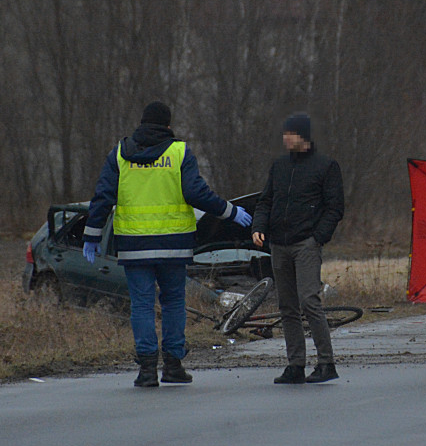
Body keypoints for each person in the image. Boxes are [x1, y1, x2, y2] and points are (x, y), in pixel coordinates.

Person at [83, 101, 252, 388]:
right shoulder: (179, 152)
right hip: (174, 244)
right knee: (173, 303)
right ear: (168, 125)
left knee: (142, 306)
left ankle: (147, 370)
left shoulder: (120, 154)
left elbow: (103, 196)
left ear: (141, 123)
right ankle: (173, 366)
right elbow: (196, 192)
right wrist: (229, 211)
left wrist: (91, 235)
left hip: (134, 245)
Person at [252, 113, 345, 384]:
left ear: (302, 136)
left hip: (306, 244)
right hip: (278, 244)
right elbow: (265, 200)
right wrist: (258, 225)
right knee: (287, 307)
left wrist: (318, 237)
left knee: (309, 301)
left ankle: (326, 363)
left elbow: (335, 207)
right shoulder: (279, 166)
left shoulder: (326, 166)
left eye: (289, 133)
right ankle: (295, 365)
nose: (284, 138)